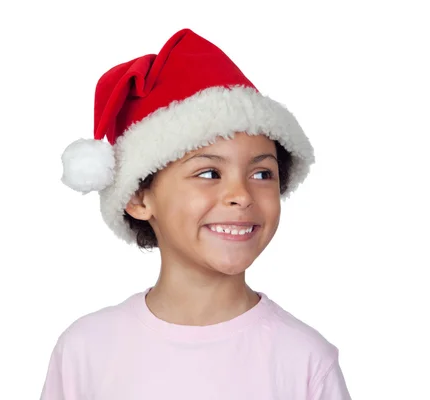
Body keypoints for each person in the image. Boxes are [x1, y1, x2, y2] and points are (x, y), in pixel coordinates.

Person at [42, 28, 351, 399]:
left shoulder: (305, 362)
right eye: (208, 173)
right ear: (138, 196)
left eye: (262, 173)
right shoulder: (85, 351)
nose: (241, 195)